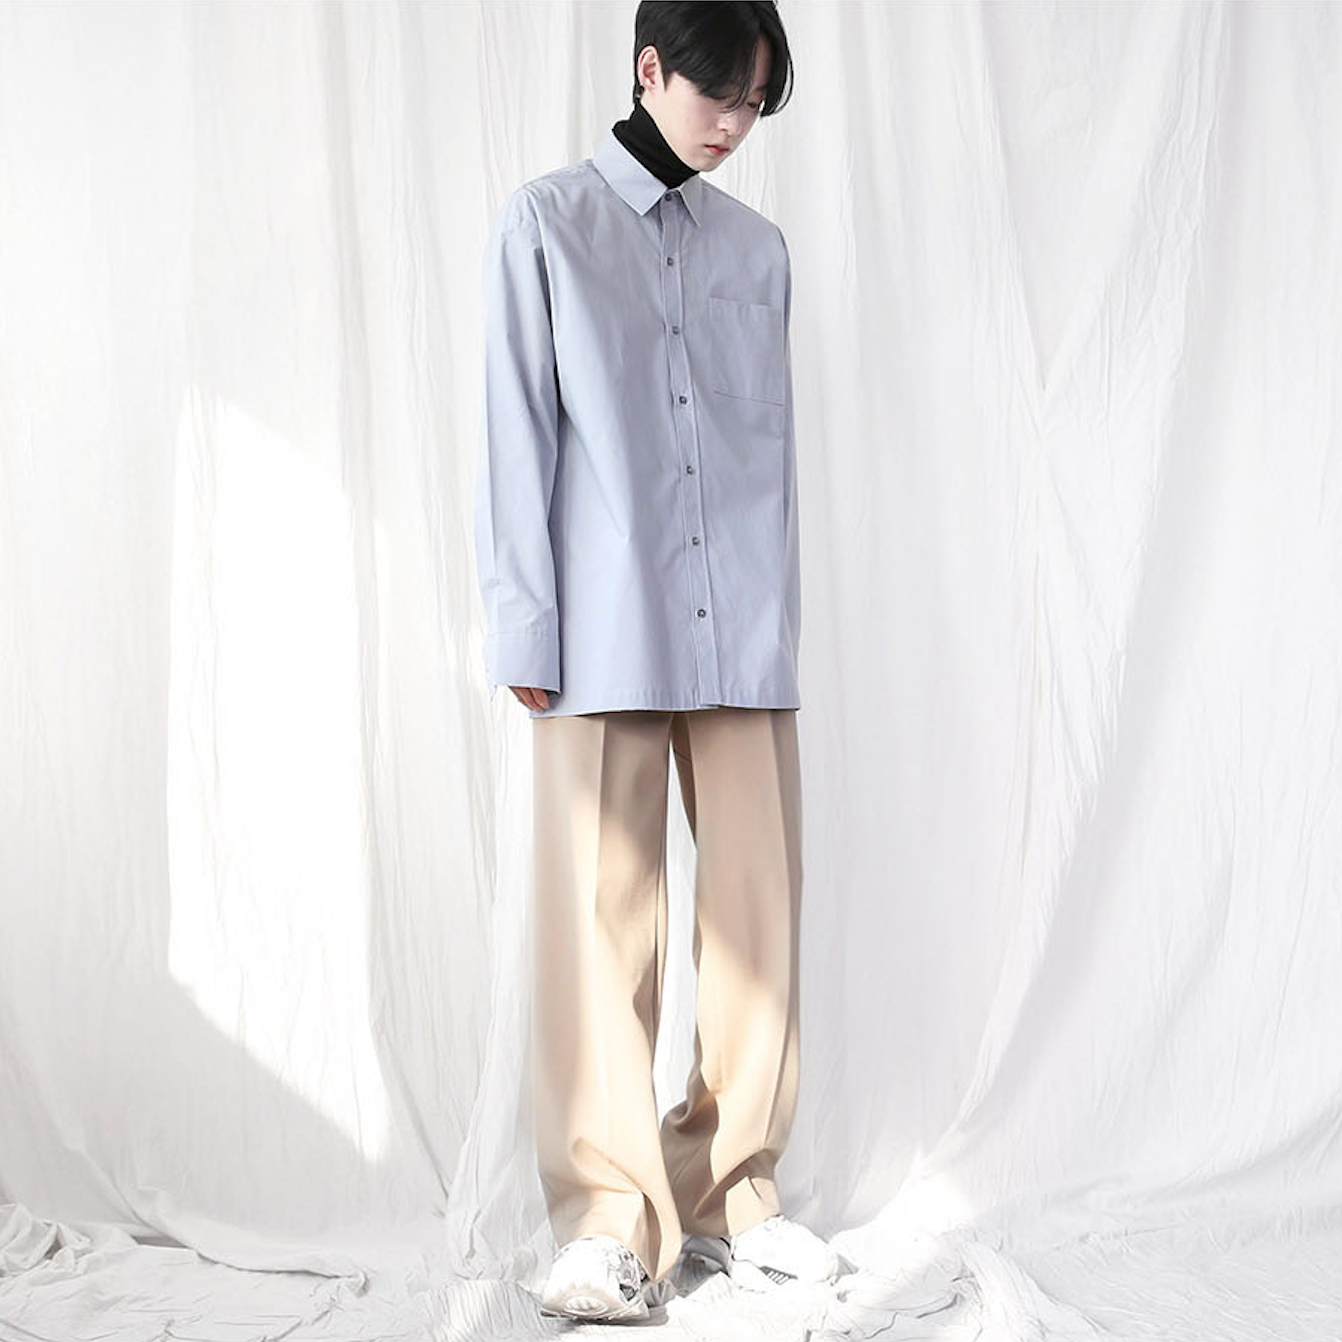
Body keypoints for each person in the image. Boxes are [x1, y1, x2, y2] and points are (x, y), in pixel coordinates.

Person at [474, 0, 837, 1322]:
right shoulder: (547, 225)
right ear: (648, 69)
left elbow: (766, 457)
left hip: (740, 624)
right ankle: (605, 1217)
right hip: (601, 626)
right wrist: (525, 621)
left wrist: (776, 617)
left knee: (757, 915)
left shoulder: (758, 250)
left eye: (753, 104)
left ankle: (732, 1192)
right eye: (717, 94)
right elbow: (516, 430)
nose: (735, 124)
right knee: (600, 922)